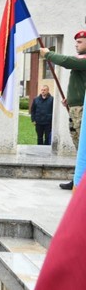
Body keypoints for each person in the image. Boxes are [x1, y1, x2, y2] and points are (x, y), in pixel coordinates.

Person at [41, 31, 86, 189]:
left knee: (84, 147)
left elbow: (67, 61)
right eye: (76, 42)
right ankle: (79, 180)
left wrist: (49, 54)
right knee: (79, 147)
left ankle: (81, 183)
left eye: (80, 42)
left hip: (82, 110)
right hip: (76, 108)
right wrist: (71, 99)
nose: (76, 44)